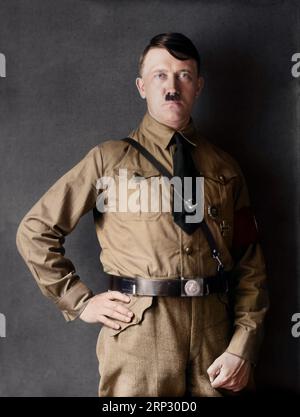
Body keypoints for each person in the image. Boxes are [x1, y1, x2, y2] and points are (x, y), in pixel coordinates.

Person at [16, 32, 269, 397]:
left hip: (217, 339)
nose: (172, 86)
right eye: (159, 75)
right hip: (139, 337)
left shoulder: (226, 168)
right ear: (141, 86)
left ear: (198, 85)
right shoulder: (108, 160)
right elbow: (35, 230)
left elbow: (251, 266)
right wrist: (80, 301)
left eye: (183, 75)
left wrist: (242, 347)